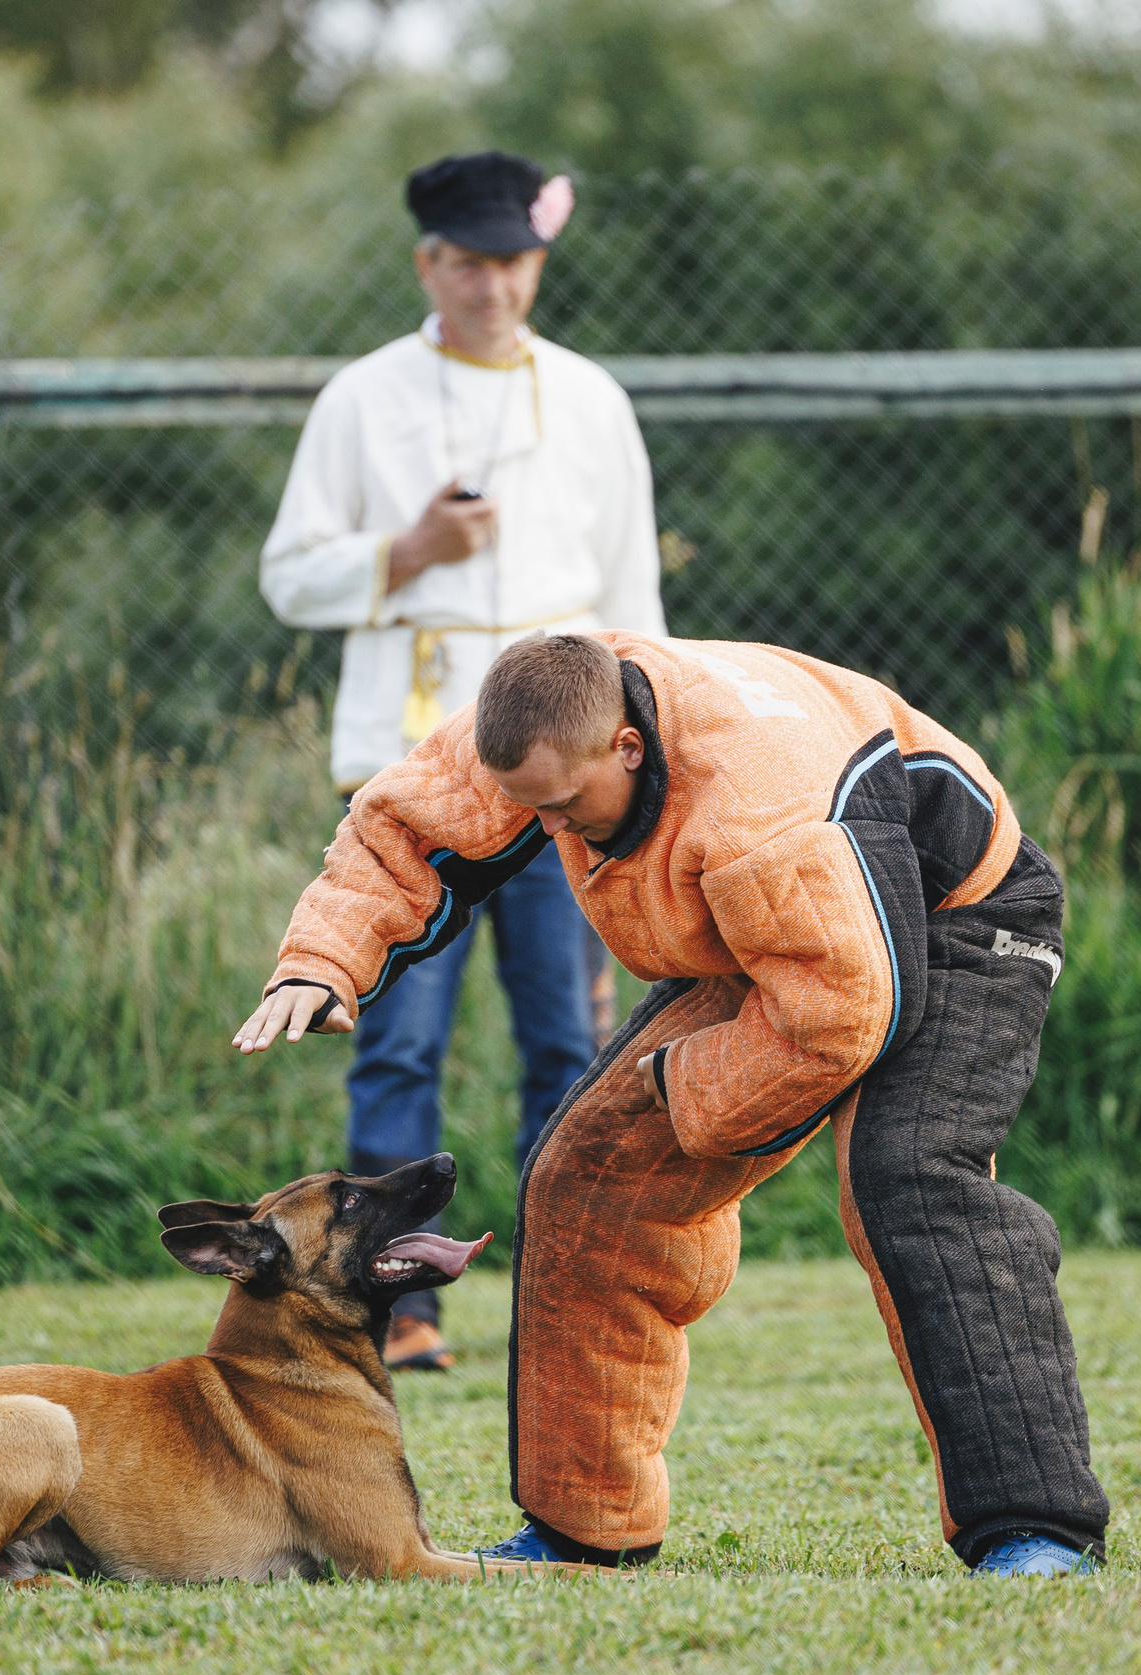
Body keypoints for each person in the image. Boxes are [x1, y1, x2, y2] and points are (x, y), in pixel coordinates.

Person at [232, 632, 1109, 1578]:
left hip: (962, 916)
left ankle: (1037, 1529)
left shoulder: (754, 801)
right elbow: (406, 826)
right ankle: (584, 1528)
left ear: (628, 749)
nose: (554, 830)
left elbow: (842, 1014)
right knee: (588, 1174)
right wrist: (321, 960)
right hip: (787, 934)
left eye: (567, 807)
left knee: (907, 1174)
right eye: (534, 809)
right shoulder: (541, 720)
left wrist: (674, 1086)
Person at [259, 152, 667, 1373]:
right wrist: (408, 550)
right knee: (398, 1043)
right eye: (468, 262)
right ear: (428, 262)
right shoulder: (361, 399)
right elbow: (289, 577)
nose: (493, 285)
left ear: (535, 264)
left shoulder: (591, 400)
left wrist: (639, 772)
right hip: (411, 775)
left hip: (567, 787)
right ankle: (397, 1306)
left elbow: (632, 600)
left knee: (566, 1039)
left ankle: (566, 1284)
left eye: (513, 262)